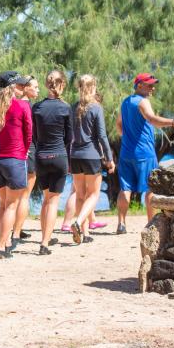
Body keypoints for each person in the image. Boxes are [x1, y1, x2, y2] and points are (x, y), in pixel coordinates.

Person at [116, 73, 174, 232]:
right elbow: (152, 119)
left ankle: (121, 224)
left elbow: (119, 125)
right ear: (139, 86)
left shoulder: (125, 102)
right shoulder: (143, 102)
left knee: (125, 189)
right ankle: (151, 224)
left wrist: (127, 137)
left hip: (126, 152)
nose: (153, 88)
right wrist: (173, 122)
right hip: (144, 153)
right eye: (149, 85)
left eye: (153, 84)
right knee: (151, 189)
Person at [69, 75, 115, 244]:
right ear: (93, 87)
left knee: (80, 195)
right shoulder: (96, 108)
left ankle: (85, 233)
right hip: (91, 155)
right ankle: (78, 222)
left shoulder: (73, 107)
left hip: (75, 156)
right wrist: (109, 158)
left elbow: (69, 136)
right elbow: (102, 136)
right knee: (93, 194)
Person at [32, 70, 72, 255]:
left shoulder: (37, 108)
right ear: (62, 85)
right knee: (53, 201)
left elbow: (33, 136)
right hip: (58, 156)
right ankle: (45, 243)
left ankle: (44, 237)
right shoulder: (65, 108)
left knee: (45, 200)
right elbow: (69, 137)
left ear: (47, 85)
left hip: (40, 157)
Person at [0, 71, 33, 257]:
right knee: (11, 205)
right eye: (19, 85)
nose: (23, 88)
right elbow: (28, 133)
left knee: (2, 204)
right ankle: (2, 245)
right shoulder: (22, 106)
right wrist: (23, 152)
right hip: (15, 159)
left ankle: (6, 240)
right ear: (11, 87)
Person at [12, 75, 38, 244]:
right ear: (26, 88)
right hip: (28, 152)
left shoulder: (13, 105)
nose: (37, 89)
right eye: (34, 87)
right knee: (24, 196)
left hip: (15, 153)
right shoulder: (28, 107)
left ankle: (16, 229)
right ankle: (16, 231)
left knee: (14, 197)